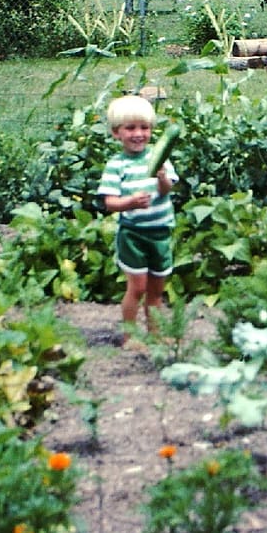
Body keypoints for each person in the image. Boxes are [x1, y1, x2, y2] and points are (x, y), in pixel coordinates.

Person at [98, 95, 178, 347]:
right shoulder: (116, 165)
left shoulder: (159, 158)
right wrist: (130, 202)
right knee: (138, 287)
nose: (138, 134)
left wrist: (163, 179)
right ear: (116, 133)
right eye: (130, 128)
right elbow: (109, 202)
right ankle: (129, 336)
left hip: (161, 232)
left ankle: (155, 333)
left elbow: (167, 191)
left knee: (156, 290)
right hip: (133, 235)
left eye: (144, 128)